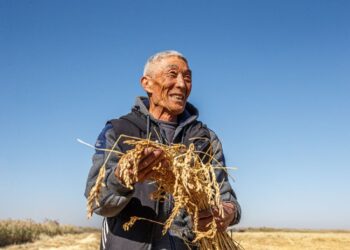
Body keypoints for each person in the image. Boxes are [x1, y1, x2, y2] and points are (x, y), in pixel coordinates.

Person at [85, 50, 241, 250]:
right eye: (172, 75)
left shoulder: (204, 139)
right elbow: (97, 202)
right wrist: (121, 179)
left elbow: (229, 202)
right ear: (147, 83)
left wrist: (226, 212)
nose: (182, 84)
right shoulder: (120, 132)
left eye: (187, 78)